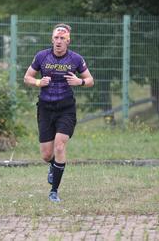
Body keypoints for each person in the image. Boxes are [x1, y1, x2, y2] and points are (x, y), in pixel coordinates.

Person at [24, 23, 94, 202]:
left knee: (60, 146)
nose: (59, 41)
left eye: (62, 38)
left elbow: (90, 80)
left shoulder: (76, 59)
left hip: (66, 108)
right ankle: (54, 166)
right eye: (56, 37)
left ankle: (54, 191)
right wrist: (39, 83)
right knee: (47, 155)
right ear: (52, 39)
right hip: (46, 108)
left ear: (68, 40)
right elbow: (27, 77)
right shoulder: (42, 56)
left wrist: (80, 82)